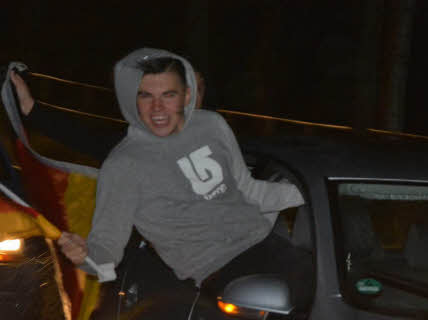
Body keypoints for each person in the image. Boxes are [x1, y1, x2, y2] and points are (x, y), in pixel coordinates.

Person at [56, 48, 305, 298]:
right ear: (132, 100)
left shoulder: (211, 125)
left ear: (187, 96)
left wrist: (313, 192)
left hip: (269, 244)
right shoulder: (123, 165)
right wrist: (85, 257)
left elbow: (250, 191)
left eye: (168, 95)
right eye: (145, 96)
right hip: (220, 273)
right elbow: (107, 249)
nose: (157, 108)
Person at [10, 66, 207, 163]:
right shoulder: (140, 145)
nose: (189, 97)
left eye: (196, 89)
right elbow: (84, 137)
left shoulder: (223, 141)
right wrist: (31, 107)